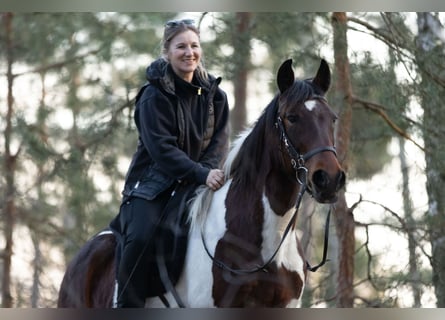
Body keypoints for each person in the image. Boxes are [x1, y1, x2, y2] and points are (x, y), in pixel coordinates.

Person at [109, 18, 230, 308]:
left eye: (194, 45)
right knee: (139, 239)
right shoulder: (153, 96)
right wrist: (201, 173)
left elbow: (219, 143)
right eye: (181, 47)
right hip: (152, 187)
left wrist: (207, 172)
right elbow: (162, 150)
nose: (189, 52)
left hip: (197, 182)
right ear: (167, 52)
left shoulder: (217, 97)